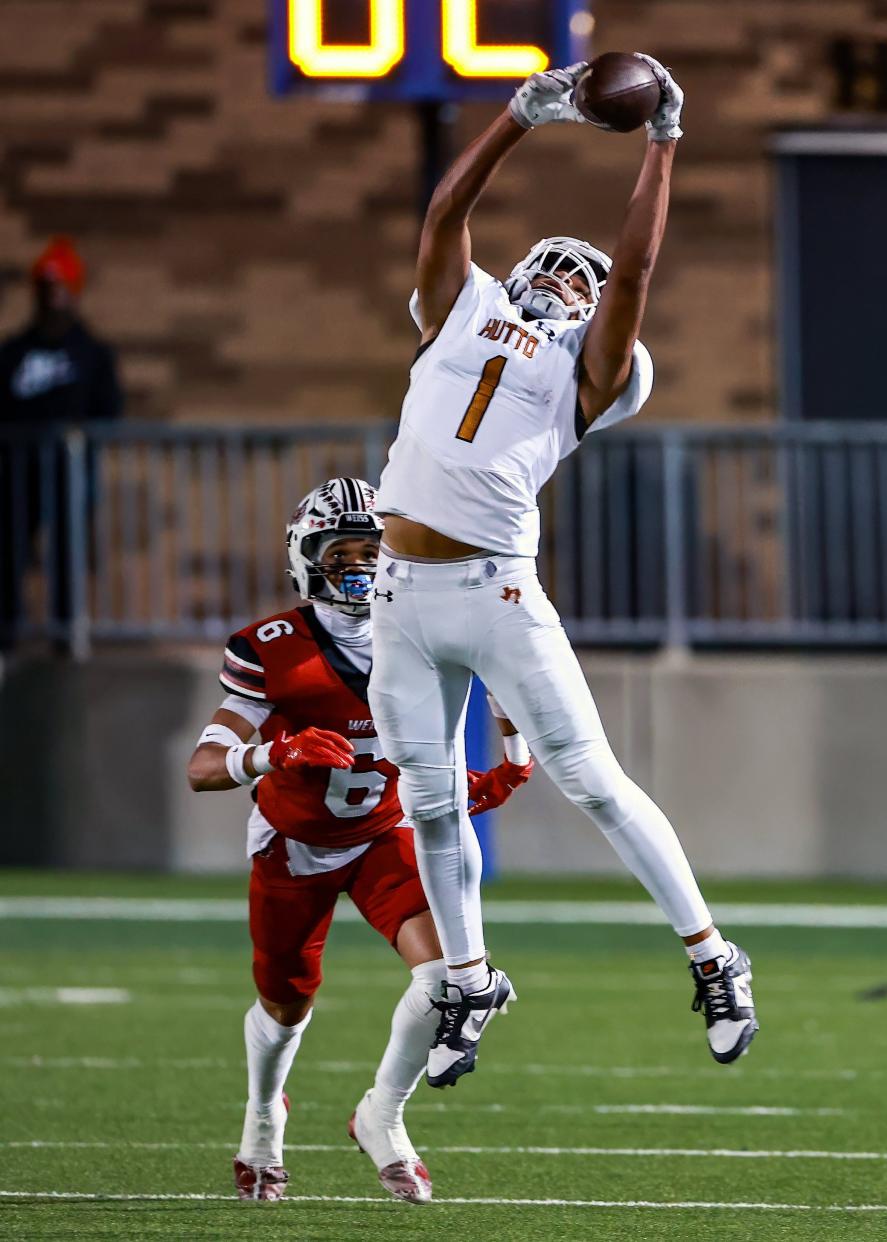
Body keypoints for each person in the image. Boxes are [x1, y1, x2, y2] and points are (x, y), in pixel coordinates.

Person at [370, 56, 758, 1088]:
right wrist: (513, 119)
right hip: (400, 598)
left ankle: (714, 956)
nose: (563, 277)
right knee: (431, 802)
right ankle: (467, 979)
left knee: (590, 779)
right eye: (554, 262)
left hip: (495, 590)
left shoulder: (583, 374)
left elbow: (632, 276)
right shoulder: (461, 308)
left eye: (578, 278)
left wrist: (663, 143)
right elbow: (444, 217)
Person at [186, 478, 531, 1202]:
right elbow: (204, 768)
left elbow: (503, 669)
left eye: (370, 549)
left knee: (448, 979)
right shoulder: (272, 647)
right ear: (306, 559)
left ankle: (384, 1116)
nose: (358, 565)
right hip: (294, 844)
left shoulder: (425, 626)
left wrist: (505, 761)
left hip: (384, 836)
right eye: (339, 551)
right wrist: (273, 756)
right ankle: (262, 1117)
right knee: (286, 1006)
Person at [0, 237, 123, 647]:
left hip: (70, 470)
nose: (53, 297)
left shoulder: (92, 353)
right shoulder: (13, 353)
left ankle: (66, 633)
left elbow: (109, 409)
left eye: (60, 288)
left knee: (67, 553)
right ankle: (8, 630)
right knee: (10, 548)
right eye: (46, 288)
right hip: (17, 471)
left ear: (73, 292)